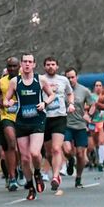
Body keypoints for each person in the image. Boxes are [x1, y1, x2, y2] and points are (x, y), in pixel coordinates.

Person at [3, 54, 54, 200]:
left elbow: (52, 95)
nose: (27, 64)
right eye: (24, 61)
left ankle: (37, 172)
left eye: (30, 62)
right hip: (21, 122)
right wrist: (9, 103)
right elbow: (6, 100)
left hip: (37, 120)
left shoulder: (40, 80)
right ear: (21, 64)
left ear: (34, 64)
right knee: (25, 159)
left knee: (34, 153)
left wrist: (44, 103)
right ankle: (31, 186)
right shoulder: (14, 81)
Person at [39, 56, 73, 191]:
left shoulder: (63, 80)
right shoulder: (40, 80)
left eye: (53, 64)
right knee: (48, 153)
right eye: (48, 64)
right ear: (44, 66)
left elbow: (70, 94)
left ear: (57, 66)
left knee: (57, 149)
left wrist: (70, 104)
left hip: (59, 117)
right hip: (44, 117)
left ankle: (55, 176)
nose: (50, 67)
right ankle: (56, 169)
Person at [63, 68, 94, 188]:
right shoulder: (63, 90)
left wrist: (89, 115)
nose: (70, 80)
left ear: (77, 77)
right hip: (66, 125)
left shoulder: (84, 90)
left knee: (81, 154)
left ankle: (79, 177)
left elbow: (92, 104)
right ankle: (70, 160)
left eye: (72, 77)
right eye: (68, 77)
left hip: (80, 125)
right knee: (66, 149)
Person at [0, 57, 22, 191]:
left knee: (20, 148)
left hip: (23, 116)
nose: (12, 68)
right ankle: (12, 177)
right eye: (9, 66)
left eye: (14, 66)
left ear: (19, 67)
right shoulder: (1, 82)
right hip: (6, 116)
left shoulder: (25, 79)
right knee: (11, 143)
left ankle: (21, 168)